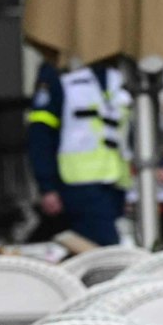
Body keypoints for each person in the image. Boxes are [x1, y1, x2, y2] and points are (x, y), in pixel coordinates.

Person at [25, 58, 132, 246]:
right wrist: (47, 186)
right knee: (105, 248)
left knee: (94, 246)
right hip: (77, 185)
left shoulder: (119, 72)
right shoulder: (59, 72)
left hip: (115, 184)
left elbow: (128, 130)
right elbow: (41, 136)